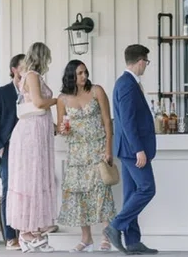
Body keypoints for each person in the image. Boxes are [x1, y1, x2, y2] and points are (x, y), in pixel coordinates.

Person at [57, 60, 116, 252]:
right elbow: (61, 127)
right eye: (80, 73)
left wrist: (108, 150)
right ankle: (86, 238)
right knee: (80, 193)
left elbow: (108, 122)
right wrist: (63, 131)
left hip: (97, 147)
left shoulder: (97, 91)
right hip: (76, 152)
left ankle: (107, 236)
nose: (84, 76)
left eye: (85, 72)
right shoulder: (62, 99)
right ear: (71, 76)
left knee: (101, 190)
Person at [104, 44, 158, 255]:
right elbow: (127, 121)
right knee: (147, 188)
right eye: (146, 62)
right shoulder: (127, 84)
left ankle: (133, 241)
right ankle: (115, 226)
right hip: (131, 149)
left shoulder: (127, 83)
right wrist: (138, 149)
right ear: (141, 61)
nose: (146, 66)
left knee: (131, 194)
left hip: (127, 149)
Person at [7, 42, 59, 251]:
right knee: (31, 179)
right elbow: (38, 102)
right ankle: (27, 232)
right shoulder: (32, 75)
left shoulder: (33, 76)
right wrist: (58, 100)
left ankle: (34, 230)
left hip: (40, 130)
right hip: (31, 134)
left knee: (37, 178)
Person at [0, 53, 25, 250]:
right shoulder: (1, 93)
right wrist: (0, 149)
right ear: (14, 70)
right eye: (24, 66)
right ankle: (11, 237)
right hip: (7, 150)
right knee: (9, 191)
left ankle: (27, 233)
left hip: (28, 149)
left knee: (28, 190)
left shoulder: (31, 93)